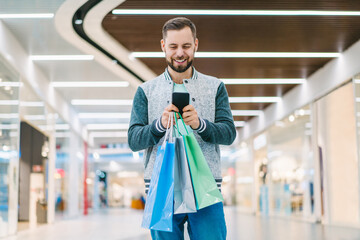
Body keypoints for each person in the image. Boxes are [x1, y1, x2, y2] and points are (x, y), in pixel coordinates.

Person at [128, 17, 236, 240]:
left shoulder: (215, 87)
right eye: (173, 46)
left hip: (206, 188)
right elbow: (134, 140)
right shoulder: (146, 91)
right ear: (163, 46)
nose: (180, 53)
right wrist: (159, 125)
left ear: (196, 45)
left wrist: (200, 125)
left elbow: (229, 133)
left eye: (186, 46)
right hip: (161, 190)